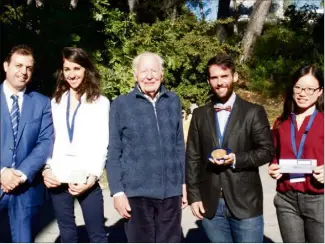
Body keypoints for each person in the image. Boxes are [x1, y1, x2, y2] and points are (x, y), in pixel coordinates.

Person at [186, 54, 275, 243]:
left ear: (234, 77)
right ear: (209, 80)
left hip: (245, 203)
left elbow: (267, 150)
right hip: (211, 204)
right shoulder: (199, 115)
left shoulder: (253, 111)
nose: (219, 82)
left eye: (224, 76)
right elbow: (192, 157)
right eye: (214, 77)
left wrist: (236, 159)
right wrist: (194, 196)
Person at [106, 52, 187, 243]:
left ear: (162, 74)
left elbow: (179, 146)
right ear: (135, 75)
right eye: (144, 71)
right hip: (136, 194)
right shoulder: (121, 104)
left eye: (154, 70)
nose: (149, 76)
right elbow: (114, 151)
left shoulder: (173, 101)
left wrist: (184, 183)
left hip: (171, 194)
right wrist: (117, 192)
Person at [42, 47, 109, 243]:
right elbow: (48, 138)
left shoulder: (100, 102)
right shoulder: (55, 101)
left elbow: (102, 141)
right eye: (67, 69)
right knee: (68, 234)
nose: (72, 74)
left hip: (86, 177)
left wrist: (93, 175)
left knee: (97, 235)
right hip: (58, 176)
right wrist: (47, 168)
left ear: (86, 69)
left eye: (77, 68)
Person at [0, 45, 54, 242]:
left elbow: (45, 141)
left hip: (26, 190)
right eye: (18, 65)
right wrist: (2, 172)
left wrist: (21, 174)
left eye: (29, 68)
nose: (23, 72)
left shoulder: (41, 103)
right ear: (6, 66)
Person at [268, 65, 324, 243]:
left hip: (319, 199)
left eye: (310, 89)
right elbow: (274, 154)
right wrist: (273, 167)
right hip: (287, 200)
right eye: (298, 87)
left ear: (320, 91)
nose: (303, 93)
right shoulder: (281, 122)